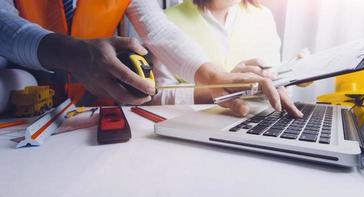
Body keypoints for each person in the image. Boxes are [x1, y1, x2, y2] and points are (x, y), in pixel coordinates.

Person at [0, 0, 302, 118]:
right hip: (17, 105)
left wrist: (212, 76)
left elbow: (159, 30)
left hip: (81, 114)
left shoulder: (260, 18)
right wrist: (72, 53)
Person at [152, 0, 286, 105]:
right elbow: (157, 95)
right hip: (193, 124)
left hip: (255, 120)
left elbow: (277, 79)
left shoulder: (263, 15)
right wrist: (224, 87)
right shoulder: (166, 22)